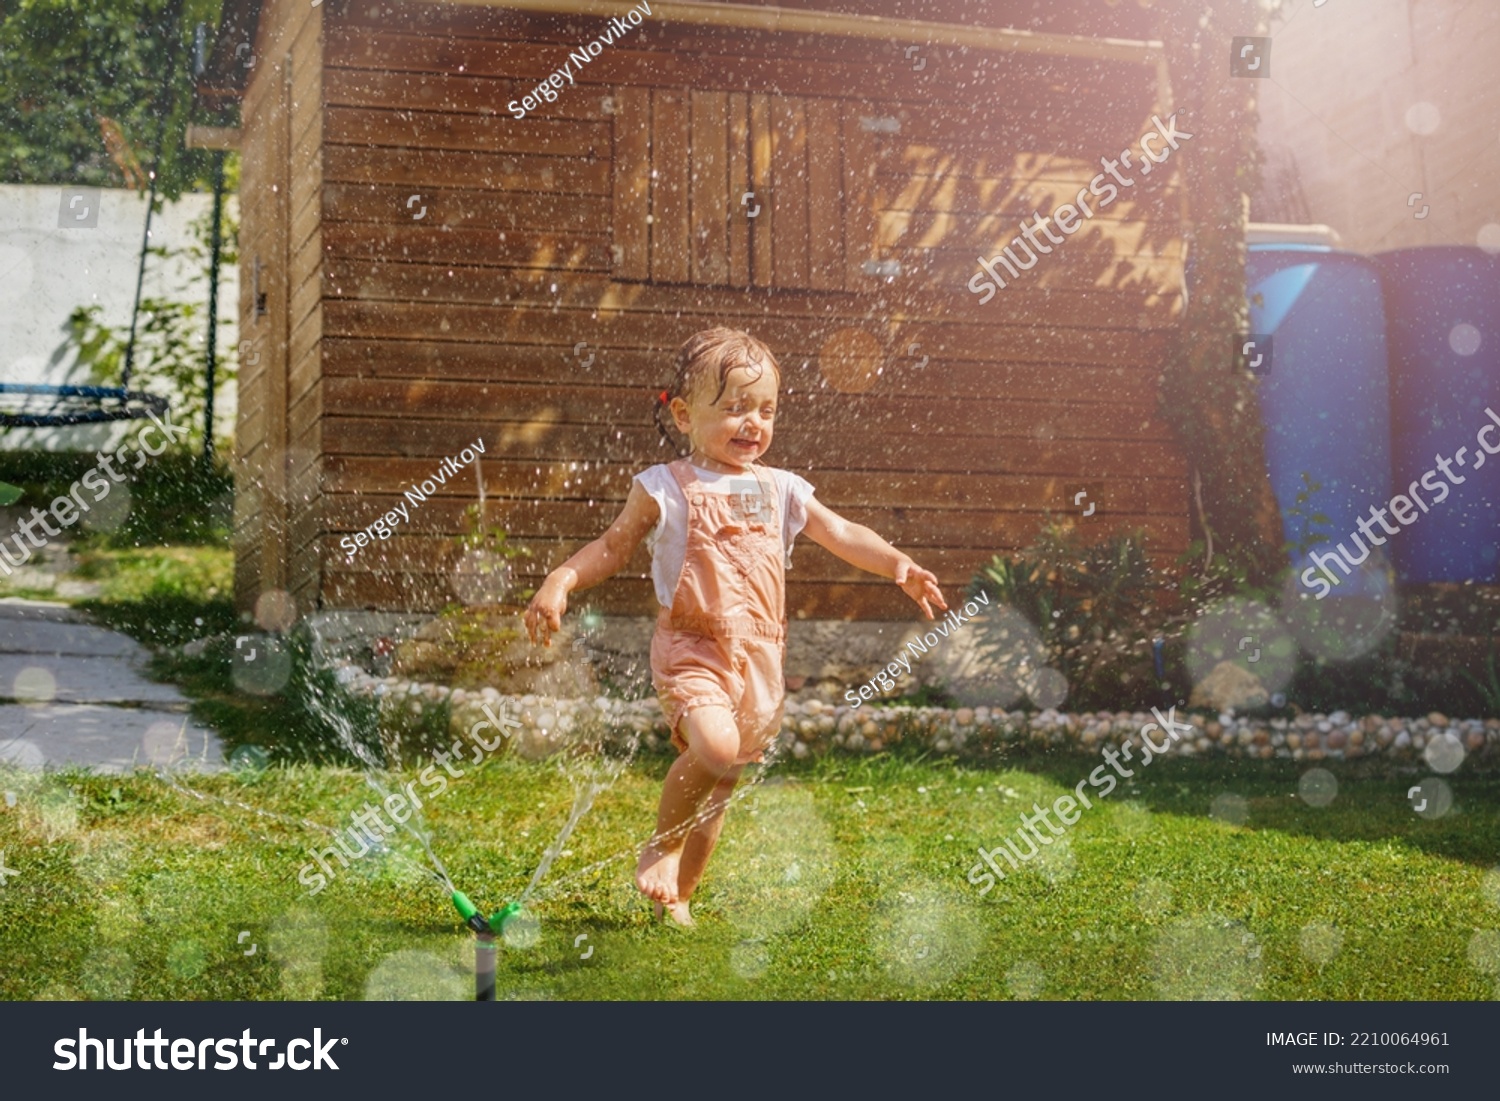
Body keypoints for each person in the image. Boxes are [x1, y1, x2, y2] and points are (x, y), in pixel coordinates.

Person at [524, 328, 947, 925]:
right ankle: (662, 846)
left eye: (765, 410)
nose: (752, 423)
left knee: (720, 788)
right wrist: (562, 579)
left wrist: (896, 564)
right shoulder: (665, 486)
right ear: (683, 414)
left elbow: (843, 532)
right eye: (734, 408)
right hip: (693, 646)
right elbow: (612, 546)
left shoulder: (781, 489)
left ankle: (682, 897)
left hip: (759, 661)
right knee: (715, 747)